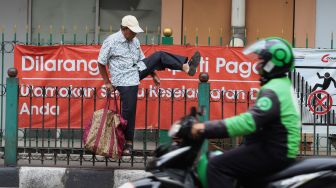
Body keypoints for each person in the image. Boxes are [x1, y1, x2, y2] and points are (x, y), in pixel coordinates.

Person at [191, 37, 301, 188]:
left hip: (273, 151)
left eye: (262, 61)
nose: (258, 65)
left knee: (216, 165)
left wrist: (205, 128)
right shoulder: (281, 85)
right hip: (274, 148)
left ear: (272, 64)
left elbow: (249, 122)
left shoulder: (273, 90)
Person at [98, 15, 201, 155]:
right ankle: (127, 143)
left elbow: (142, 60)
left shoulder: (135, 41)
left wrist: (153, 74)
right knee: (129, 111)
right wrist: (107, 83)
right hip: (123, 79)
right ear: (124, 29)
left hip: (136, 70)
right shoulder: (111, 41)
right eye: (132, 31)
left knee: (159, 56)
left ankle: (185, 67)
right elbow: (101, 62)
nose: (134, 34)